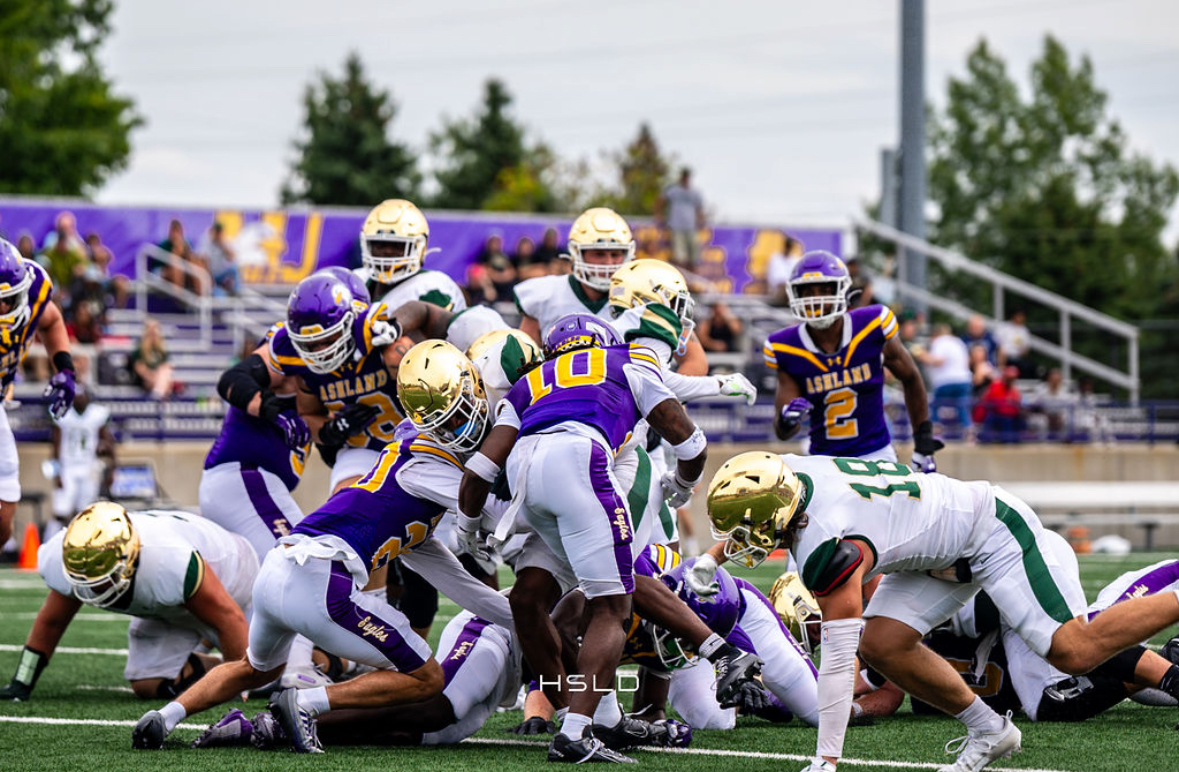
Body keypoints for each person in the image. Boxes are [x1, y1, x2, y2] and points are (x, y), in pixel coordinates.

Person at [696, 451, 1179, 772]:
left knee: (1071, 650)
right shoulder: (790, 471)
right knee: (882, 643)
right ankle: (991, 730)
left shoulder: (828, 545)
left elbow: (839, 663)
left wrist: (826, 759)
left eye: (750, 531)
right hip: (937, 553)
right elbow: (755, 507)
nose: (744, 540)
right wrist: (708, 560)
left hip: (990, 532)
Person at [457, 314, 757, 763]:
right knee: (612, 603)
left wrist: (467, 525)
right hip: (584, 462)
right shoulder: (629, 360)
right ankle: (578, 730)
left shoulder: (529, 382)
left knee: (532, 597)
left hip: (525, 476)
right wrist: (680, 484)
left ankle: (609, 716)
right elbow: (691, 443)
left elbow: (482, 466)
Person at [131, 405, 512, 752]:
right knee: (427, 678)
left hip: (278, 568)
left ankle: (165, 718)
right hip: (320, 577)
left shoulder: (403, 489)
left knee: (254, 668)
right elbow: (503, 513)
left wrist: (521, 619)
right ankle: (304, 702)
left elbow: (460, 584)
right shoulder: (425, 467)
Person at [0, 503, 255, 702]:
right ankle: (213, 663)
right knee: (148, 682)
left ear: (129, 559)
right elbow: (53, 621)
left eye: (101, 577)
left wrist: (236, 689)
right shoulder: (70, 553)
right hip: (170, 603)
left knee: (262, 677)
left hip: (231, 575)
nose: (92, 587)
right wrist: (22, 682)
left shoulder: (168, 561)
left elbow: (229, 617)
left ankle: (237, 658)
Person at [763, 251, 938, 469]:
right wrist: (787, 420)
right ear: (796, 295)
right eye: (808, 291)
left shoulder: (871, 326)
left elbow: (911, 378)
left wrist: (924, 443)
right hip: (824, 461)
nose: (817, 299)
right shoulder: (787, 346)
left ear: (842, 290)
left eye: (825, 290)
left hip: (876, 454)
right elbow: (783, 432)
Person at [267, 273, 403, 495]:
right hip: (361, 448)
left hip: (415, 444)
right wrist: (331, 430)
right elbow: (308, 415)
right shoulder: (305, 368)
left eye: (329, 340)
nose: (321, 351)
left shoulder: (387, 349)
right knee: (345, 505)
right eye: (310, 344)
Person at [0, 238, 77, 545]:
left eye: (10, 298)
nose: (6, 307)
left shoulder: (33, 291)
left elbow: (52, 319)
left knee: (3, 521)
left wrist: (66, 369)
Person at [355, 198, 466, 313]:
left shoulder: (430, 289)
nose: (387, 251)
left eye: (398, 245)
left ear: (418, 247)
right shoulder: (355, 281)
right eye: (379, 244)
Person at [47, 389, 116, 540]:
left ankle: (82, 542)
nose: (79, 399)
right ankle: (50, 542)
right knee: (61, 510)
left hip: (89, 467)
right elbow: (56, 446)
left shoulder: (96, 415)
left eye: (82, 396)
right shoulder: (64, 415)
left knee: (86, 511)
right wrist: (56, 472)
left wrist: (112, 469)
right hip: (67, 467)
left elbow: (108, 443)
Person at [918, 323, 974, 433]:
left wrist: (923, 356)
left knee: (936, 405)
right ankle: (969, 431)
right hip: (964, 380)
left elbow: (938, 361)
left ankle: (935, 429)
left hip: (946, 381)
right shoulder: (959, 342)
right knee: (962, 407)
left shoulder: (940, 341)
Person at [655, 168, 705, 271]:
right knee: (680, 257)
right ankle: (681, 280)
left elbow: (699, 208)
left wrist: (701, 220)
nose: (685, 178)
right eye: (684, 176)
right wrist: (659, 215)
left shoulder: (694, 192)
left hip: (691, 228)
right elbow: (660, 201)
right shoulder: (673, 190)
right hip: (676, 227)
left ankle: (693, 284)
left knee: (694, 258)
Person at [974, 366, 1023, 443]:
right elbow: (985, 401)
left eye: (1012, 378)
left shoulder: (1015, 391)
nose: (1010, 380)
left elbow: (1017, 407)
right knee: (991, 419)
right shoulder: (995, 386)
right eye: (1008, 377)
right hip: (995, 414)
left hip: (1009, 418)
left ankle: (1010, 442)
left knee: (1014, 421)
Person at [128, 319, 175, 400]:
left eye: (155, 333)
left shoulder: (161, 350)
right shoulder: (140, 349)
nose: (153, 335)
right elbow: (139, 368)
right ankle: (160, 395)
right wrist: (152, 376)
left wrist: (158, 377)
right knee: (164, 380)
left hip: (159, 379)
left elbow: (166, 366)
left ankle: (158, 394)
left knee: (165, 372)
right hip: (146, 380)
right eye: (151, 333)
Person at [198, 222, 238, 296]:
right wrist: (208, 274)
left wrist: (222, 245)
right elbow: (202, 258)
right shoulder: (206, 241)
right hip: (210, 273)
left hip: (220, 272)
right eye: (217, 231)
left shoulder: (224, 242)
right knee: (219, 295)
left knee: (234, 268)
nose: (218, 234)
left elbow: (232, 257)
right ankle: (215, 290)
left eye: (220, 232)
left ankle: (236, 292)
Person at [475, 233, 517, 301]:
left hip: (505, 281)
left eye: (497, 242)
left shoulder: (505, 255)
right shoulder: (484, 256)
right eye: (493, 242)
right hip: (492, 282)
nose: (495, 245)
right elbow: (483, 270)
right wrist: (498, 276)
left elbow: (512, 271)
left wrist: (504, 276)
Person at [766, 235, 805, 307]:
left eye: (789, 247)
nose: (788, 248)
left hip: (790, 289)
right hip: (778, 290)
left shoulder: (795, 259)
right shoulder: (775, 258)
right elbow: (773, 279)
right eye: (787, 246)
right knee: (784, 288)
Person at [995, 309, 1034, 377]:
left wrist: (1022, 352)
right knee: (1001, 355)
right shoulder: (1004, 327)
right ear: (1014, 316)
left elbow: (1026, 348)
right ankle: (999, 376)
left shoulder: (1024, 331)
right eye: (1019, 316)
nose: (1021, 318)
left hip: (1018, 356)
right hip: (1005, 356)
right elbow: (996, 342)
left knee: (1029, 365)